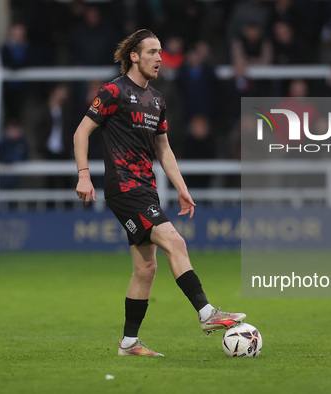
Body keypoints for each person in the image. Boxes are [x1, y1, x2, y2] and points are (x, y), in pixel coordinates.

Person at [73, 29, 245, 357]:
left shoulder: (157, 99)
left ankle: (128, 343)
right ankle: (208, 314)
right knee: (175, 242)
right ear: (134, 57)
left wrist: (182, 190)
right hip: (124, 186)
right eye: (152, 52)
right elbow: (82, 132)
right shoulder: (113, 91)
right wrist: (84, 176)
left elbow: (163, 149)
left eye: (161, 52)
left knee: (145, 269)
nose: (159, 58)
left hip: (146, 188)